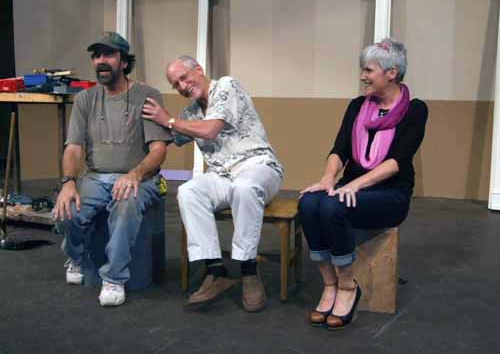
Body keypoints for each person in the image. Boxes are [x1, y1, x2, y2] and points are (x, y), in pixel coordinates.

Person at [298, 38, 427, 329]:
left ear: (391, 73)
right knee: (308, 202)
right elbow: (339, 149)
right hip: (350, 188)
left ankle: (347, 287)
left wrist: (355, 185)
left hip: (390, 194)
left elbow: (398, 161)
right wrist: (327, 179)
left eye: (368, 70)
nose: (362, 76)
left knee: (333, 207)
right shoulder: (358, 105)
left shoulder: (416, 110)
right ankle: (329, 284)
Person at [142, 55, 283, 312]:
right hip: (223, 175)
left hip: (259, 168)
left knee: (245, 187)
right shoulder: (193, 111)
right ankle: (215, 270)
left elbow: (208, 130)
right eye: (176, 85)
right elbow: (166, 136)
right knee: (188, 191)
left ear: (199, 69)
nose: (182, 87)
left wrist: (169, 120)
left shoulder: (227, 86)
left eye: (184, 78)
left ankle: (249, 270)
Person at [54, 31, 171, 307]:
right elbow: (73, 148)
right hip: (95, 177)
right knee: (66, 209)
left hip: (139, 178)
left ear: (124, 61)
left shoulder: (147, 95)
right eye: (96, 56)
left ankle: (114, 277)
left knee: (125, 205)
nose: (101, 61)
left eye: (108, 54)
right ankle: (75, 255)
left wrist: (134, 174)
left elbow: (159, 150)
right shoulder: (85, 99)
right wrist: (68, 182)